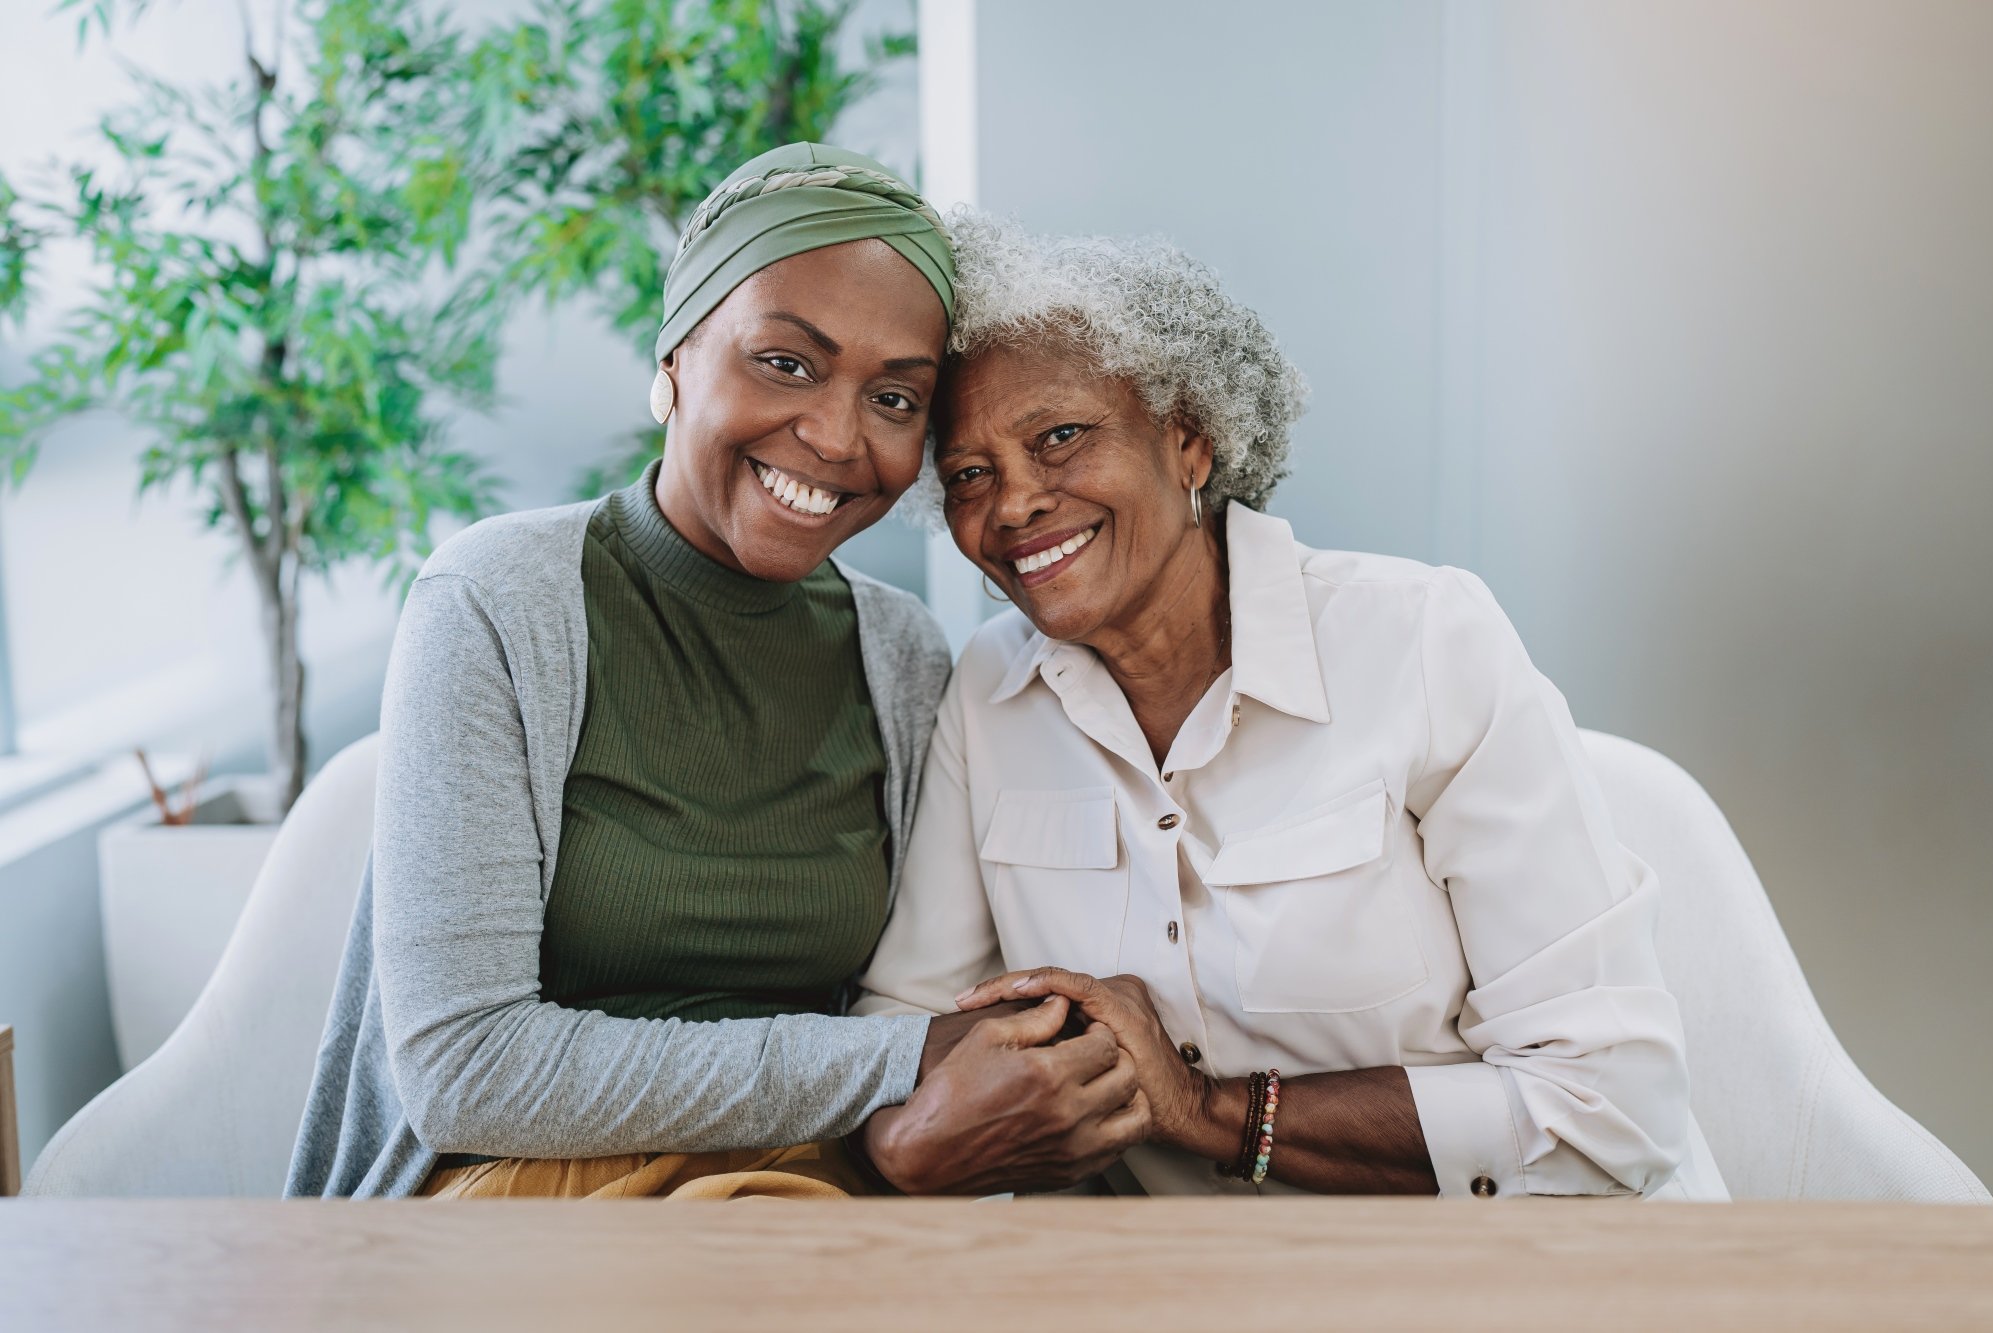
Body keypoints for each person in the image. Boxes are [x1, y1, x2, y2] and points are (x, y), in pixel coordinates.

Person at [286, 147, 1146, 1200]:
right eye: (785, 362)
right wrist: (905, 1056)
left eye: (893, 398)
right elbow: (465, 1072)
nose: (835, 435)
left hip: (802, 1191)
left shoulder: (903, 656)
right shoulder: (496, 600)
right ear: (677, 354)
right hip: (521, 1200)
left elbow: (930, 1003)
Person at [856, 214, 1730, 1200]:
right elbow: (904, 1027)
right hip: (1167, 1274)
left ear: (1188, 441)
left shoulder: (1423, 640)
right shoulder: (988, 691)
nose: (1012, 504)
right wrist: (905, 1140)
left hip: (1497, 1263)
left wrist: (1204, 1110)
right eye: (969, 475)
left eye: (1059, 437)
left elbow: (1610, 1104)